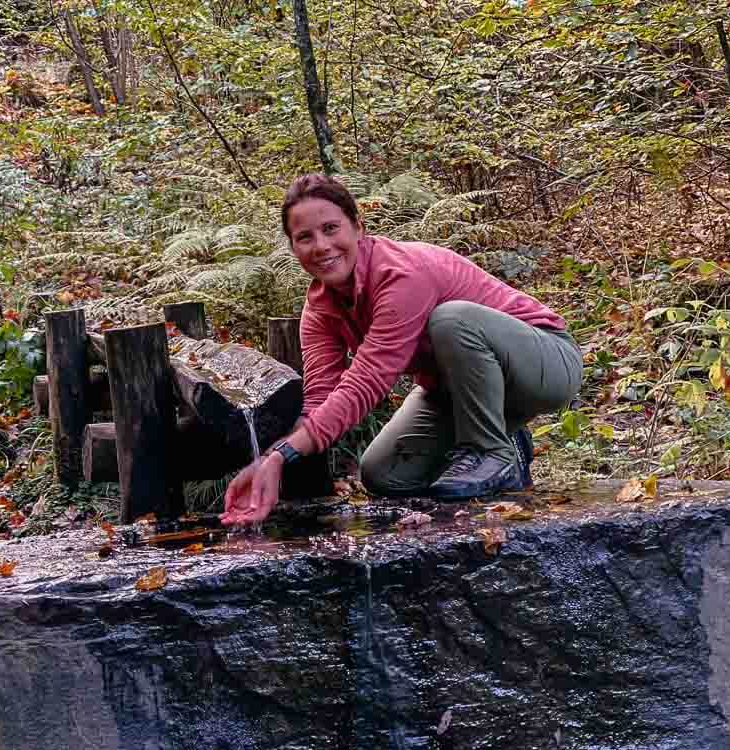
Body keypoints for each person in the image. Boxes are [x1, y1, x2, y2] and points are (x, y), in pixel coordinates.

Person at [220, 173, 582, 527]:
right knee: (382, 474)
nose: (320, 246)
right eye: (304, 237)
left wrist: (283, 455)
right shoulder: (319, 310)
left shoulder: (401, 275)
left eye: (331, 228)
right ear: (293, 247)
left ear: (358, 226)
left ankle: (489, 450)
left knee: (451, 320)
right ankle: (505, 444)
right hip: (455, 392)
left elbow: (367, 382)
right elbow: (319, 400)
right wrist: (268, 460)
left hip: (545, 363)